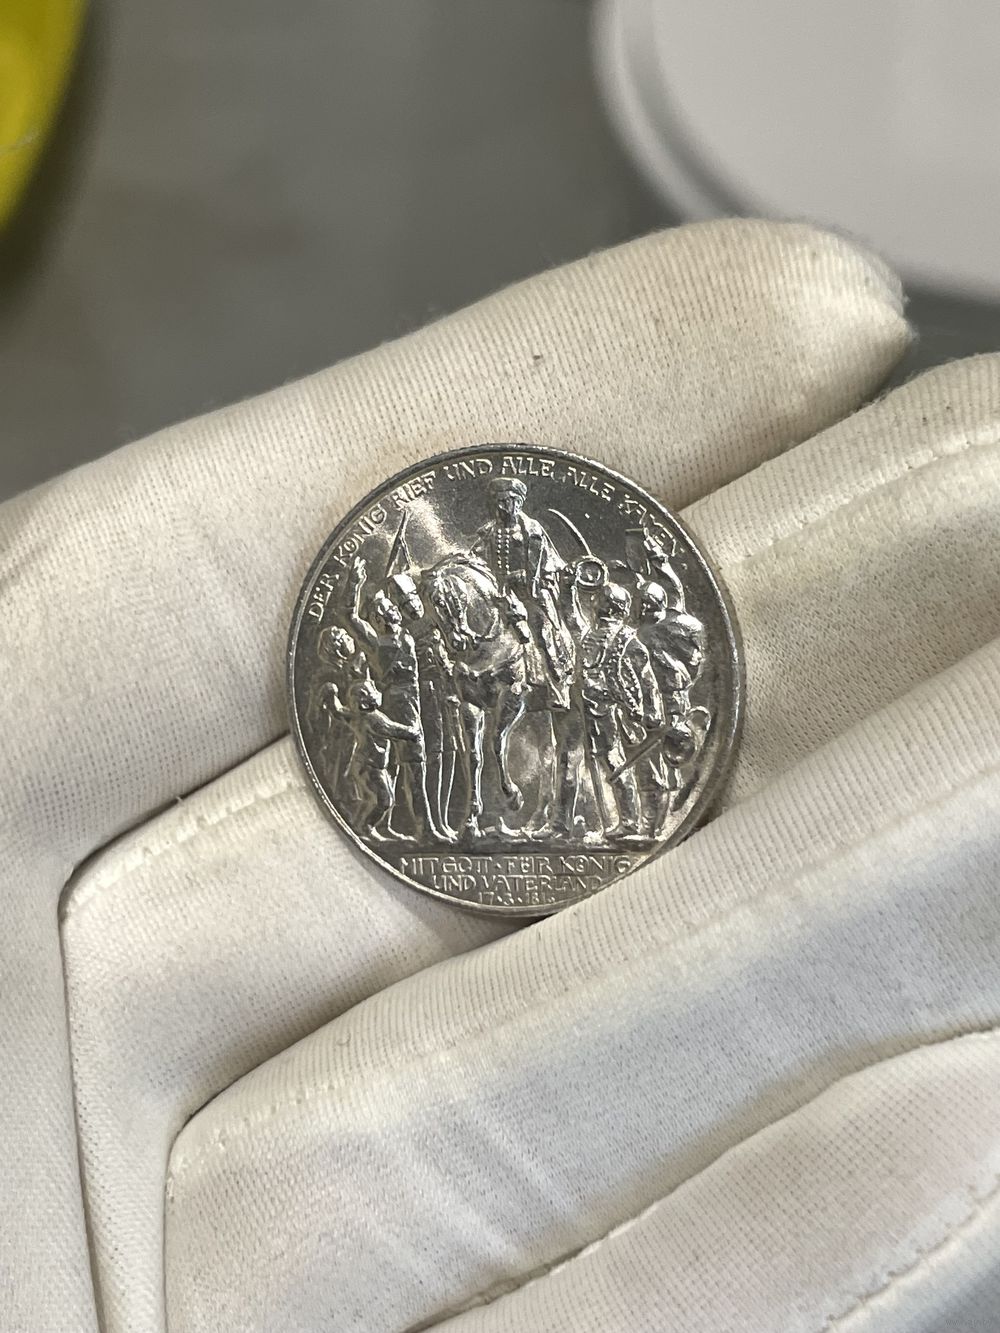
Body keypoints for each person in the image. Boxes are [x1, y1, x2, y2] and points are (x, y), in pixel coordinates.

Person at [347, 559, 441, 841]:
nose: (394, 610)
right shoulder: (376, 643)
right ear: (378, 619)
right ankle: (424, 830)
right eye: (388, 609)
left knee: (409, 769)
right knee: (410, 769)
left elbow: (412, 599)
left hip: (414, 703)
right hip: (396, 708)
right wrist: (354, 585)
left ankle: (407, 827)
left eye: (392, 606)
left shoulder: (406, 634)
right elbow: (349, 617)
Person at [578, 581, 663, 840]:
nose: (595, 607)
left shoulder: (627, 640)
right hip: (597, 711)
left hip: (624, 713)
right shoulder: (590, 637)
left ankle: (634, 822)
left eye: (600, 602)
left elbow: (647, 679)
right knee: (610, 763)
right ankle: (626, 821)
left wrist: (652, 712)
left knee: (623, 765)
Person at [389, 571, 462, 840]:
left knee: (451, 751)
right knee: (435, 754)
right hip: (425, 695)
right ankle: (434, 819)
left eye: (413, 601)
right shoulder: (404, 634)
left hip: (448, 691)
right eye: (406, 605)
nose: (413, 607)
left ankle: (443, 818)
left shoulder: (435, 618)